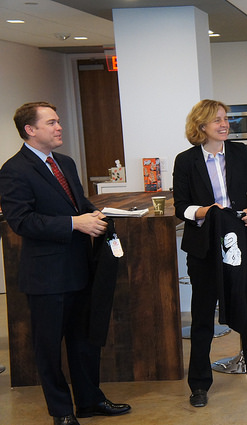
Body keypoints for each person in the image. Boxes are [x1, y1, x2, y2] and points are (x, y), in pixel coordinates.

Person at [0, 102, 131, 425]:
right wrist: (75, 224)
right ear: (30, 130)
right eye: (52, 122)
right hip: (46, 276)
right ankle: (61, 411)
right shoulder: (13, 170)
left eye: (58, 121)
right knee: (48, 348)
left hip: (80, 269)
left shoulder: (66, 163)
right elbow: (22, 222)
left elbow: (80, 204)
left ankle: (90, 401)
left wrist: (96, 213)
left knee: (84, 342)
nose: (59, 127)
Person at [173, 99, 247, 407]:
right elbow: (181, 207)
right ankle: (199, 385)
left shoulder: (242, 154)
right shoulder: (186, 160)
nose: (224, 124)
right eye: (217, 120)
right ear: (201, 127)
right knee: (203, 315)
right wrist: (206, 211)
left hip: (242, 242)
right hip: (204, 246)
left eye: (225, 118)